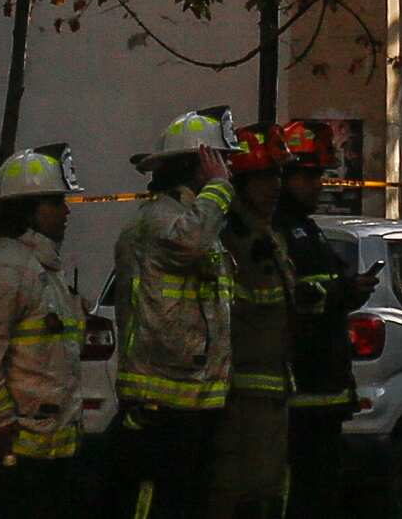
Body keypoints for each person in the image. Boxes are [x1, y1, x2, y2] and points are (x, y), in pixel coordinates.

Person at [105, 111, 239, 519]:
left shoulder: (196, 218)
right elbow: (191, 241)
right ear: (197, 163)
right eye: (219, 160)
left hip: (194, 399)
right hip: (161, 402)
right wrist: (217, 191)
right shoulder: (159, 219)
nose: (228, 170)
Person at [0, 147, 89, 519]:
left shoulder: (43, 270)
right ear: (29, 209)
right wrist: (0, 427)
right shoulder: (7, 271)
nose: (67, 211)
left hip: (45, 451)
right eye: (56, 201)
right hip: (13, 456)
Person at [266, 123, 370, 519]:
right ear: (284, 176)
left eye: (319, 177)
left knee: (321, 490)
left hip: (322, 390)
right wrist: (344, 292)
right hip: (302, 391)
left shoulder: (305, 227)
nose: (317, 186)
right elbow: (300, 296)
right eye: (308, 176)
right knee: (302, 494)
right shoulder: (281, 228)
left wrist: (346, 289)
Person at [211, 117, 301, 518]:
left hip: (273, 394)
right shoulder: (231, 239)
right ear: (242, 184)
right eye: (265, 176)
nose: (275, 185)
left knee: (268, 493)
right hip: (240, 401)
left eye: (278, 175)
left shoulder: (269, 237)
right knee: (235, 495)